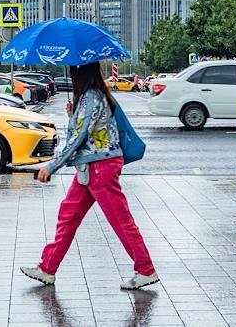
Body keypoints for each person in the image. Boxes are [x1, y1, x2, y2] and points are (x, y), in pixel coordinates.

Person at [20, 61, 158, 290]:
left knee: (120, 220)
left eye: (74, 72)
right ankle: (47, 268)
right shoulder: (90, 97)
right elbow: (85, 132)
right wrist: (73, 115)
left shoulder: (92, 98)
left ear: (81, 74)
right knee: (68, 215)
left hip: (100, 167)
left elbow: (78, 138)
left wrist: (52, 166)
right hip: (91, 167)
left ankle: (146, 269)